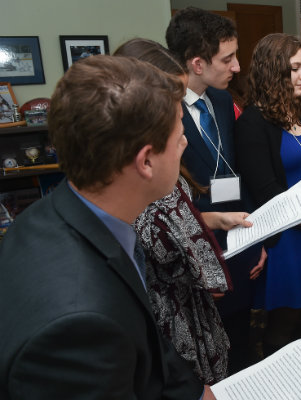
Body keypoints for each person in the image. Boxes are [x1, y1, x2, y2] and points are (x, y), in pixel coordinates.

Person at [0, 55, 211, 399]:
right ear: (145, 161)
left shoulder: (51, 214)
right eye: (179, 134)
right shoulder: (79, 329)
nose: (184, 144)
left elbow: (144, 336)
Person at [114, 38, 257, 385]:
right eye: (173, 107)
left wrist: (213, 219)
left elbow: (174, 222)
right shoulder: (131, 190)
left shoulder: (166, 174)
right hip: (171, 337)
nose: (182, 128)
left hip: (199, 322)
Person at [166, 7, 267, 373]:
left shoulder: (223, 100)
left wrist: (258, 240)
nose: (237, 67)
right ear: (196, 63)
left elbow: (239, 173)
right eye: (228, 58)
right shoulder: (162, 113)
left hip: (238, 238)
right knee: (207, 356)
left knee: (241, 342)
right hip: (195, 251)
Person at [235, 33, 301, 355]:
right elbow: (267, 191)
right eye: (296, 68)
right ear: (273, 71)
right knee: (285, 322)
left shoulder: (300, 110)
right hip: (288, 237)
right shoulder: (253, 122)